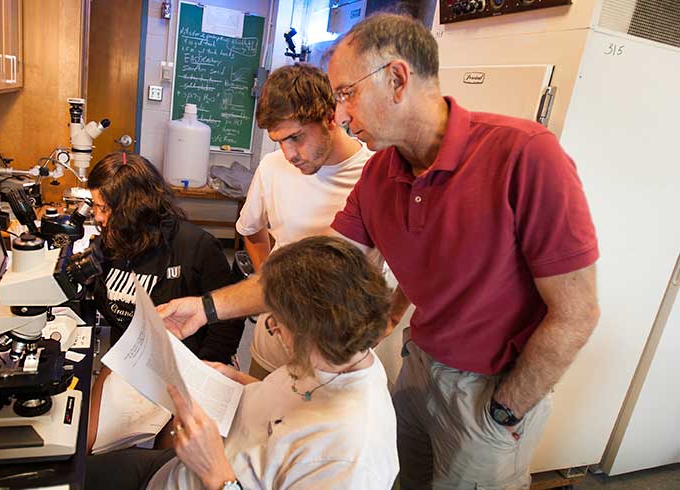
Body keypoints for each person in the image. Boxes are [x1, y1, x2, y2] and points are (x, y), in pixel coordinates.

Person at [159, 13, 602, 490]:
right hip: (420, 365)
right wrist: (206, 308)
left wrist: (504, 409)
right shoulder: (381, 175)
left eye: (347, 93)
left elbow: (576, 313)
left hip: (491, 390)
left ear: (397, 79)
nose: (342, 115)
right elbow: (311, 277)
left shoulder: (525, 155)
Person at [86, 236, 399, 490]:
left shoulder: (350, 460)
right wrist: (234, 379)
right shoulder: (332, 358)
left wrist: (217, 475)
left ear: (311, 333)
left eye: (277, 321)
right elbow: (290, 409)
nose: (272, 328)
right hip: (175, 471)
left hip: (206, 470)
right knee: (65, 474)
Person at [85, 151, 244, 451]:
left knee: (167, 459)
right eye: (95, 206)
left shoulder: (196, 247)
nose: (97, 217)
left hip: (186, 370)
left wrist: (203, 371)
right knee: (89, 450)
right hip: (130, 363)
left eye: (105, 209)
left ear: (133, 209)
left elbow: (227, 321)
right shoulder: (109, 243)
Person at [236, 63, 374, 378]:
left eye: (296, 137)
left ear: (330, 117)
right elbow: (252, 231)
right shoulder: (272, 168)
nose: (288, 153)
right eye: (279, 141)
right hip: (274, 342)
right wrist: (272, 287)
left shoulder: (374, 173)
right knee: (260, 418)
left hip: (339, 353)